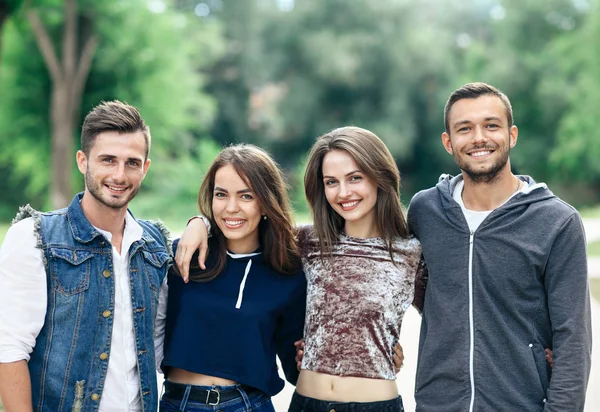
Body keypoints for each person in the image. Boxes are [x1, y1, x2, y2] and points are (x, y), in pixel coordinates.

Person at [177, 127, 426, 412]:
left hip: (376, 404)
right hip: (307, 403)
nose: (343, 192)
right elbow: (243, 223)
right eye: (331, 182)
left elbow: (447, 327)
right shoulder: (303, 243)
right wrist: (200, 222)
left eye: (355, 178)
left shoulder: (411, 254)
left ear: (380, 177)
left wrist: (385, 347)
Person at [408, 82, 592, 411]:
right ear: (448, 142)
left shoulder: (557, 221)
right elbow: (397, 283)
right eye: (465, 128)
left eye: (491, 125)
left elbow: (573, 340)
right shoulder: (425, 211)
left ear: (512, 135)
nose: (479, 138)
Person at [0, 101, 171, 412]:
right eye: (108, 160)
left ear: (145, 168)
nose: (120, 175)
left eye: (132, 163)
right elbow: (10, 351)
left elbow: (161, 348)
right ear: (83, 161)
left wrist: (200, 222)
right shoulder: (35, 238)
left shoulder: (155, 246)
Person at [157, 144, 306, 411]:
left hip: (248, 404)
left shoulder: (289, 274)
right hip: (178, 403)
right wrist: (198, 222)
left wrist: (308, 358)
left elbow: (295, 369)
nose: (231, 208)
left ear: (266, 203)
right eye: (221, 195)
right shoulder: (185, 255)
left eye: (246, 196)